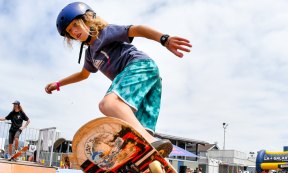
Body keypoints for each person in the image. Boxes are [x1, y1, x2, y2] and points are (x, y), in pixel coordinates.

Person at [45, 2, 192, 157]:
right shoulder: (90, 55)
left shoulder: (106, 32)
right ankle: (152, 164)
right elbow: (83, 74)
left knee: (109, 104)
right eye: (69, 30)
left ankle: (148, 140)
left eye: (76, 24)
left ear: (88, 19)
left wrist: (164, 39)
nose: (74, 31)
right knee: (134, 131)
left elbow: (137, 29)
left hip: (140, 67)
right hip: (148, 80)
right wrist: (59, 83)